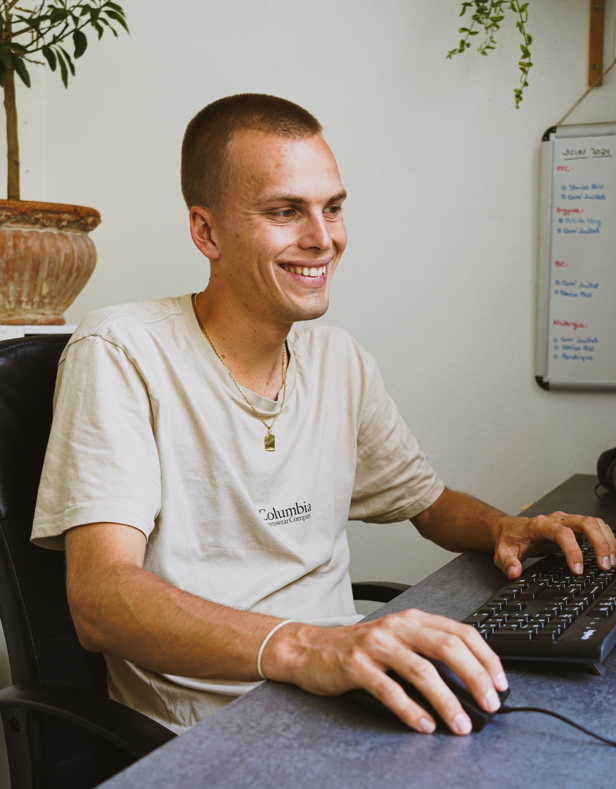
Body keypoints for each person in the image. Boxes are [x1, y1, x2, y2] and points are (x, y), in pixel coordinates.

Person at [32, 94, 616, 738]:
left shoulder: (340, 358)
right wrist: (311, 648)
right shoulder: (120, 349)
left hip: (343, 693)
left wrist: (505, 526)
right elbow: (100, 599)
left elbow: (425, 501)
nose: (323, 238)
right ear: (207, 232)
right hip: (206, 731)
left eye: (332, 208)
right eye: (285, 211)